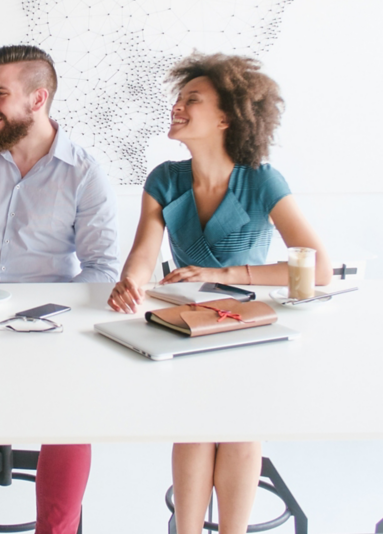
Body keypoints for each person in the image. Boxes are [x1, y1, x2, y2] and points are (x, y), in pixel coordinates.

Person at [108, 52, 331, 534]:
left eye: (193, 99)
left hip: (248, 332)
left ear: (226, 117)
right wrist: (131, 282)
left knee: (238, 429)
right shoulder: (164, 179)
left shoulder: (262, 181)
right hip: (187, 328)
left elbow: (319, 269)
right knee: (193, 430)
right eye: (179, 99)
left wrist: (230, 273)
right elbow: (144, 255)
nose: (178, 107)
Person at [0, 45, 120, 534]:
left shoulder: (84, 171)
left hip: (52, 325)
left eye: (0, 92)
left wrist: (55, 318)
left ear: (38, 99)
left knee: (72, 424)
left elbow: (101, 266)